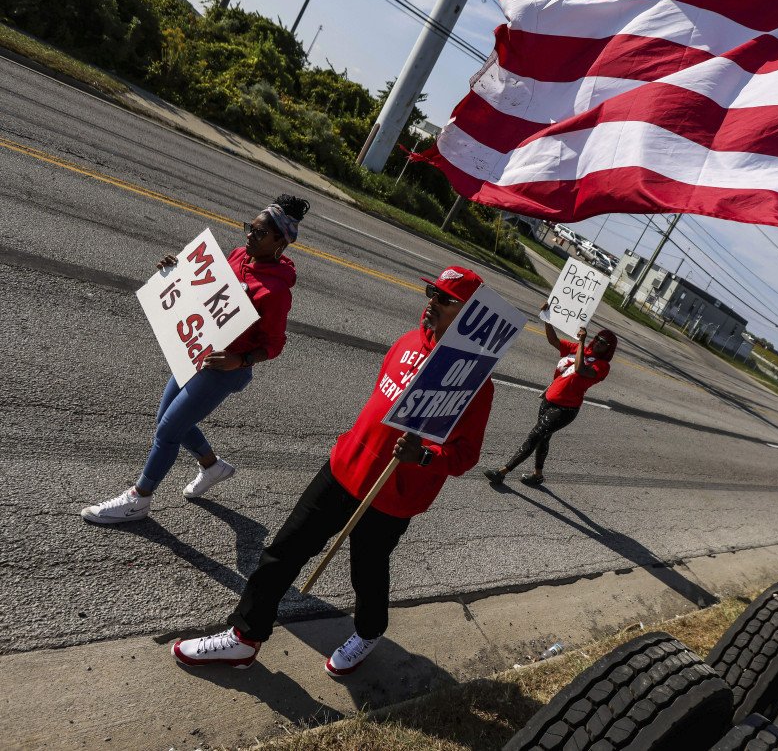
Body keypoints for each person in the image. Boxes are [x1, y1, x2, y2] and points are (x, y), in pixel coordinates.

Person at [172, 267, 494, 676]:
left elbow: (465, 456)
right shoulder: (407, 342)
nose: (430, 301)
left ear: (469, 316)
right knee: (283, 550)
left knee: (367, 570)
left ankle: (369, 631)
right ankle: (243, 639)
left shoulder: (476, 384)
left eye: (444, 298)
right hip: (345, 469)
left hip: (391, 494)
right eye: (431, 291)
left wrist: (425, 456)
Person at [81, 195, 310, 525]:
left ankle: (139, 499)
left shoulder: (276, 292)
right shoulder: (237, 256)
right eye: (250, 227)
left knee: (168, 431)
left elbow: (274, 345)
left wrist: (240, 360)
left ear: (279, 242)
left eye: (258, 233)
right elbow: (205, 291)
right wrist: (177, 273)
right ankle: (211, 465)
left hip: (223, 370)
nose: (248, 235)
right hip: (196, 350)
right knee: (167, 419)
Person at [484, 305, 616, 486]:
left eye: (604, 343)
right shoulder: (579, 349)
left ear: (609, 349)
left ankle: (502, 471)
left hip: (566, 409)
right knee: (543, 438)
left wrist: (582, 343)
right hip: (549, 399)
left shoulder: (602, 366)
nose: (599, 342)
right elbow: (554, 341)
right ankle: (537, 475)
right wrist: (547, 319)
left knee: (534, 436)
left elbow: (579, 369)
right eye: (598, 338)